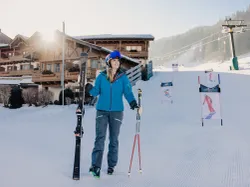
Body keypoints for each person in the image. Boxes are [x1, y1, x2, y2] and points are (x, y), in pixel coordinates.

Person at [88, 50, 139, 178]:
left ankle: (111, 165)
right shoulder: (101, 77)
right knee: (100, 138)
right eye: (114, 60)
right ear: (109, 62)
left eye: (118, 60)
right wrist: (89, 89)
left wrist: (133, 103)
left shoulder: (123, 78)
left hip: (117, 112)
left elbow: (128, 92)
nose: (116, 63)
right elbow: (95, 92)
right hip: (102, 111)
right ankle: (96, 166)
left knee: (114, 140)